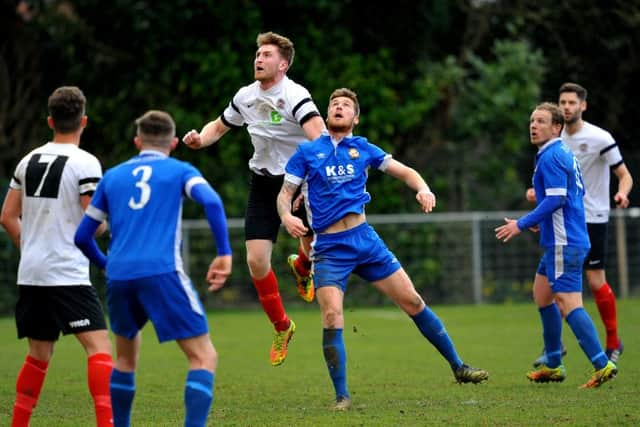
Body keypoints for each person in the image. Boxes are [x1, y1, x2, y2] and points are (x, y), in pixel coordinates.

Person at [277, 88, 489, 411]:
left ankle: (459, 366)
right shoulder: (307, 152)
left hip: (365, 241)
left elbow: (405, 172)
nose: (338, 108)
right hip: (330, 248)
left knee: (413, 301)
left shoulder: (363, 149)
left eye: (346, 105)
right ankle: (342, 396)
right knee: (332, 315)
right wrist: (286, 216)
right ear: (326, 113)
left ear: (355, 118)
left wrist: (423, 189)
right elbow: (285, 193)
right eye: (334, 104)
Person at [74, 110, 232, 427]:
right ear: (173, 143)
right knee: (203, 357)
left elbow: (82, 236)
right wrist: (224, 253)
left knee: (125, 360)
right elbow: (212, 202)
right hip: (161, 271)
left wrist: (106, 265)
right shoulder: (179, 171)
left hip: (119, 277)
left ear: (137, 141)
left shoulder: (113, 177)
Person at [182, 31, 325, 366]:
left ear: (283, 64)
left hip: (298, 183)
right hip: (262, 185)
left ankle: (303, 267)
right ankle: (282, 326)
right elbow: (218, 127)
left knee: (311, 242)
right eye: (257, 54)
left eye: (266, 55)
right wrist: (198, 139)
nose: (258, 59)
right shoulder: (245, 96)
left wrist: (312, 179)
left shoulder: (295, 95)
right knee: (256, 261)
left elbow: (319, 139)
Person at [0, 86, 113, 427]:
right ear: (84, 121)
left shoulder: (27, 160)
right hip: (67, 272)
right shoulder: (86, 162)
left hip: (32, 271)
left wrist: (31, 248)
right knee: (100, 350)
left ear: (50, 120)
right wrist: (106, 227)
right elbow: (92, 225)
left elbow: (7, 216)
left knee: (38, 356)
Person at [495, 102, 617, 388]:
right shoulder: (561, 153)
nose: (533, 126)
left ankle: (602, 363)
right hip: (560, 239)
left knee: (568, 302)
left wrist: (521, 223)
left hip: (565, 242)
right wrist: (545, 222)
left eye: (540, 121)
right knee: (542, 294)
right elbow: (575, 193)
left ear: (557, 127)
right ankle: (553, 363)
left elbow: (557, 199)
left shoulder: (551, 156)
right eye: (531, 121)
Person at [527, 83, 632, 367]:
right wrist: (539, 203)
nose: (567, 106)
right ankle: (554, 353)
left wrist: (622, 191)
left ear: (583, 106)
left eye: (572, 102)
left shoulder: (599, 137)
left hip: (590, 218)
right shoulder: (557, 145)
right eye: (563, 102)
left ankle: (610, 347)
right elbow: (563, 187)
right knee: (544, 292)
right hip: (564, 221)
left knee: (585, 286)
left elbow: (623, 174)